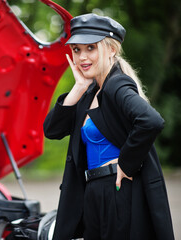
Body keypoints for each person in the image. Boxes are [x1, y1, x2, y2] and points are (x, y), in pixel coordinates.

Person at [43, 13, 174, 240]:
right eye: (77, 50)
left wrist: (126, 162)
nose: (82, 57)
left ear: (111, 49)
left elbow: (151, 121)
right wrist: (79, 87)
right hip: (93, 192)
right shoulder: (90, 92)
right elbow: (52, 130)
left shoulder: (117, 84)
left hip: (117, 190)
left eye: (90, 48)